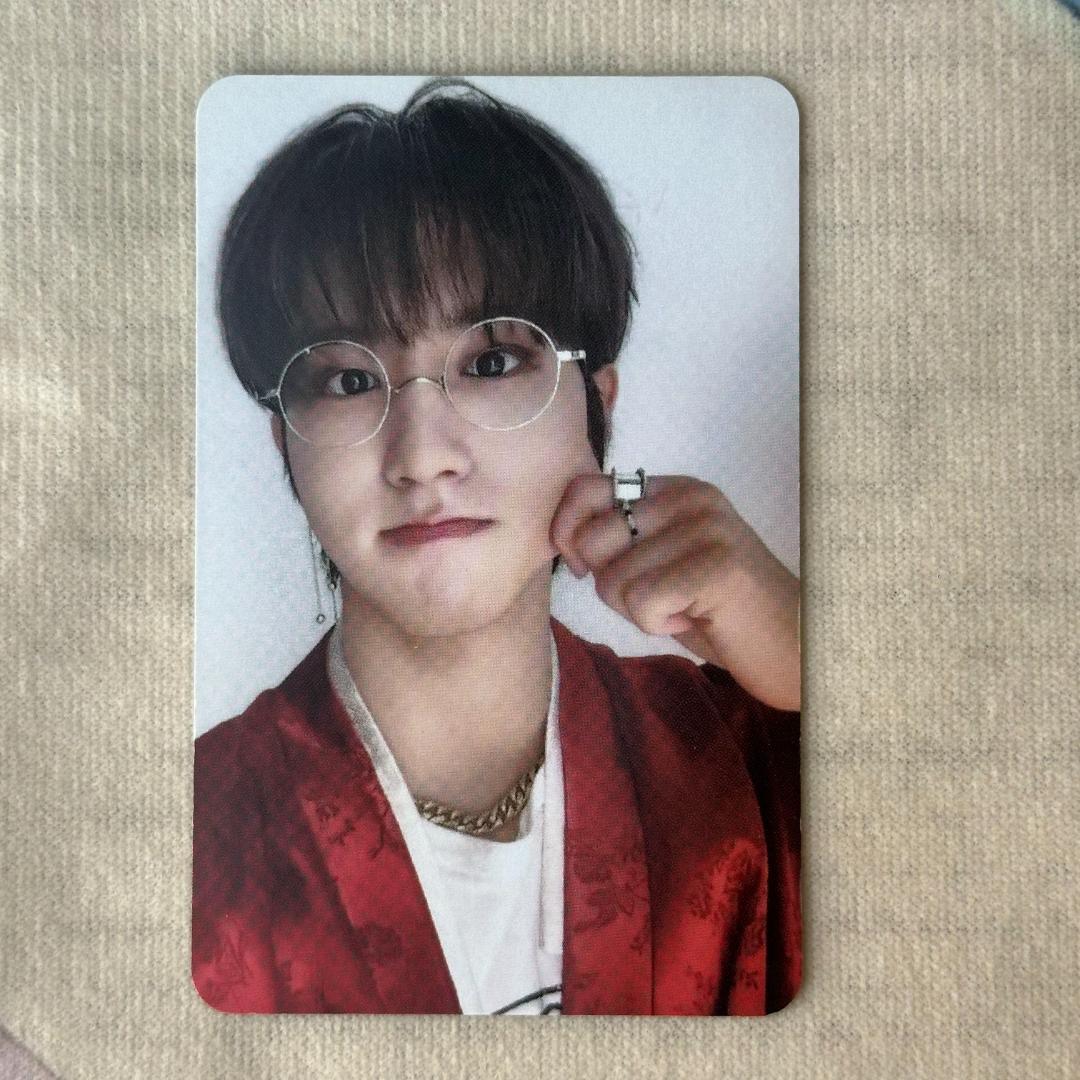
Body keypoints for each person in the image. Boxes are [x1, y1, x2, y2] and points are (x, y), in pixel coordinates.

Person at [192, 77, 801, 1016]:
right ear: (287, 447)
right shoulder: (182, 842)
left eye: (489, 363)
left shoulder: (755, 758)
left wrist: (819, 657)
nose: (422, 457)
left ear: (594, 407)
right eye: (348, 381)